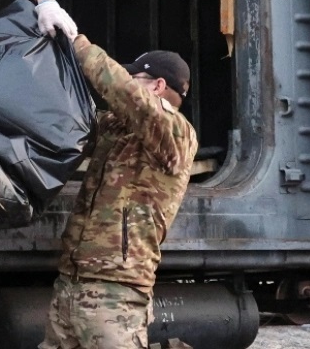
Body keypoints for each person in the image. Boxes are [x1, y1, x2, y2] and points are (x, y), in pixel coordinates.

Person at [40, 38, 199, 349]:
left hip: (115, 292)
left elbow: (124, 93)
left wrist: (75, 41)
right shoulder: (116, 128)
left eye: (135, 78)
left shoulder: (176, 132)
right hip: (72, 284)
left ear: (157, 86)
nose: (127, 83)